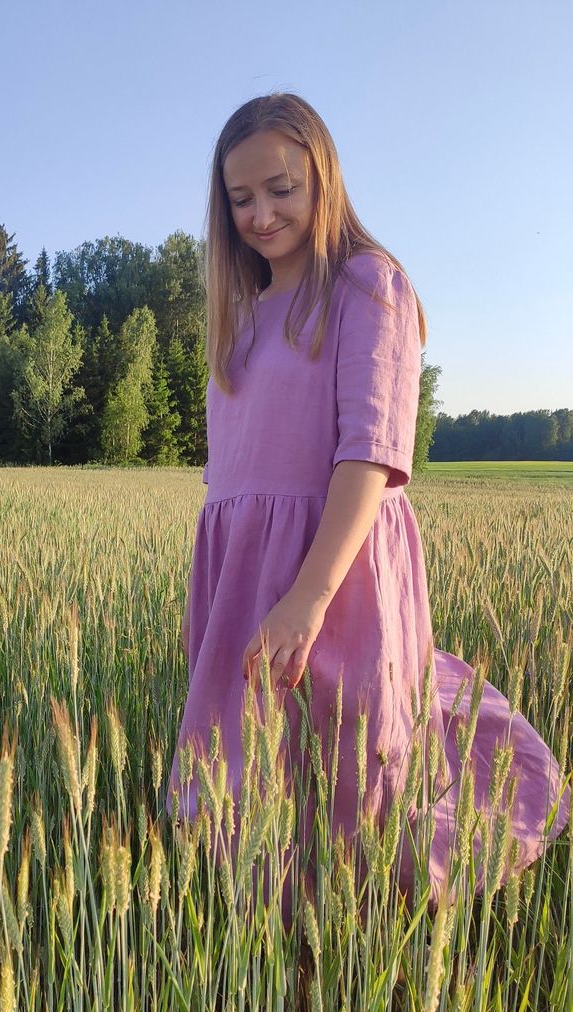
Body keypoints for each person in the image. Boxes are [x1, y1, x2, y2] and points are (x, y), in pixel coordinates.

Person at [165, 91, 569, 928]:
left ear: (324, 176)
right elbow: (228, 481)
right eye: (240, 199)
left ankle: (355, 955)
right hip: (242, 572)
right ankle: (278, 970)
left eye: (281, 188)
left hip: (334, 571)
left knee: (350, 772)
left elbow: (370, 456)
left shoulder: (367, 285)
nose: (261, 213)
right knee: (253, 780)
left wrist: (308, 597)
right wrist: (219, 601)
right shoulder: (237, 314)